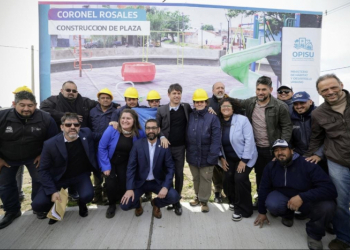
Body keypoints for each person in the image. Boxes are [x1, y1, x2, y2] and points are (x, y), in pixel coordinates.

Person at [41, 80, 119, 200]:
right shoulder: (52, 101)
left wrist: (116, 106)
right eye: (68, 90)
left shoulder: (84, 101)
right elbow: (44, 109)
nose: (71, 93)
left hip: (81, 141)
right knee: (63, 166)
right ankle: (60, 192)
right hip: (63, 141)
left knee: (78, 167)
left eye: (74, 91)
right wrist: (69, 116)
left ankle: (76, 191)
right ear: (62, 91)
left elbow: (101, 103)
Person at [254, 139, 337, 250]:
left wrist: (302, 197)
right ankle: (288, 215)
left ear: (292, 150)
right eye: (276, 150)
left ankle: (314, 235)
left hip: (307, 200)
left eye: (283, 149)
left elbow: (330, 189)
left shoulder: (307, 164)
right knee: (272, 203)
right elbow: (263, 189)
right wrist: (262, 212)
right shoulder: (271, 166)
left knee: (328, 206)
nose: (280, 153)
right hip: (285, 198)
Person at [0, 91, 58, 229]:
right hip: (7, 158)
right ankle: (12, 211)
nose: (26, 109)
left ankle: (38, 207)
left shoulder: (46, 118)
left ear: (36, 105)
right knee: (5, 185)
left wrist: (43, 154)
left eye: (30, 105)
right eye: (22, 105)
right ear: (14, 104)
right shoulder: (2, 117)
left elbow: (53, 140)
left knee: (40, 180)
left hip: (35, 157)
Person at [305, 74, 350, 249]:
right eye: (324, 90)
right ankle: (344, 238)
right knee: (340, 202)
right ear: (319, 92)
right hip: (337, 160)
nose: (330, 92)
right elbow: (316, 137)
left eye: (333, 87)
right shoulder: (318, 113)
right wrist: (313, 156)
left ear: (341, 84)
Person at [32, 112, 99, 225]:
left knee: (87, 195)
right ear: (62, 127)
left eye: (76, 124)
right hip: (59, 178)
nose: (72, 127)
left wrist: (114, 126)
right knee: (38, 204)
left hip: (80, 175)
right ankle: (58, 207)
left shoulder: (86, 133)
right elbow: (43, 170)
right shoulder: (50, 144)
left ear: (79, 126)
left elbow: (101, 136)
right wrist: (53, 191)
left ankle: (82, 205)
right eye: (68, 125)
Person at [235, 76, 292, 209]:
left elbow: (287, 127)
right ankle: (261, 200)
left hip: (272, 149)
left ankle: (281, 206)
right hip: (256, 149)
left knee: (277, 177)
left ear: (271, 90)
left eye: (264, 90)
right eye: (258, 89)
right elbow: (235, 103)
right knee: (260, 176)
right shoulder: (250, 103)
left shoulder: (280, 106)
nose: (260, 92)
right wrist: (214, 103)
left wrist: (281, 148)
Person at [120, 119, 180, 219]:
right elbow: (131, 167)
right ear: (145, 130)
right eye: (148, 128)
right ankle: (137, 205)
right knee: (125, 205)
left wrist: (165, 187)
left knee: (174, 197)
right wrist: (130, 188)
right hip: (140, 182)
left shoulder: (164, 146)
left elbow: (170, 168)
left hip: (157, 182)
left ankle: (156, 203)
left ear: (158, 130)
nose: (151, 130)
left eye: (153, 128)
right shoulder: (137, 145)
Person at [98, 109, 146, 219]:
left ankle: (124, 199)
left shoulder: (139, 133)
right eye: (123, 118)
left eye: (128, 118)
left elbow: (148, 141)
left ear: (134, 120)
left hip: (126, 162)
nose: (125, 120)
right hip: (111, 161)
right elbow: (102, 147)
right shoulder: (112, 129)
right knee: (110, 183)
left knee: (124, 183)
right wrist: (105, 166)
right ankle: (111, 205)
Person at [218, 97, 258, 221]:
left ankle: (243, 209)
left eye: (228, 106)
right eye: (223, 106)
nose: (225, 108)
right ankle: (234, 201)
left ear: (233, 108)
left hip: (244, 156)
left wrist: (244, 160)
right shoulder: (217, 121)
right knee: (227, 179)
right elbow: (215, 142)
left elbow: (249, 140)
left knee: (240, 178)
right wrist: (221, 158)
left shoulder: (242, 120)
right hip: (228, 158)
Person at [156, 83, 192, 216]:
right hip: (165, 148)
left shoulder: (186, 107)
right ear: (169, 95)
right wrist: (162, 136)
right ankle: (169, 197)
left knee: (179, 173)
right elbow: (156, 128)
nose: (177, 96)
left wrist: (210, 108)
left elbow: (200, 112)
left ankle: (177, 201)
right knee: (167, 174)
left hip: (180, 148)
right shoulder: (161, 110)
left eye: (179, 93)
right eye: (174, 93)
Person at [187, 89, 221, 213]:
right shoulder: (190, 115)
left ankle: (204, 201)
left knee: (205, 178)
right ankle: (197, 196)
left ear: (206, 103)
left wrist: (213, 156)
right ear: (194, 103)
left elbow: (216, 139)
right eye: (196, 102)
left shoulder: (213, 118)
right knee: (196, 178)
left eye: (201, 101)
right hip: (193, 154)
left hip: (207, 155)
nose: (199, 104)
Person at [89, 88, 117, 204]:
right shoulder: (92, 112)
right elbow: (88, 128)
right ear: (99, 100)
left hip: (109, 147)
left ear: (111, 100)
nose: (105, 100)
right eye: (103, 98)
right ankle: (97, 194)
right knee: (96, 170)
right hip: (95, 145)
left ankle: (106, 193)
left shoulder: (115, 112)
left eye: (107, 98)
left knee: (107, 169)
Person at [141, 90, 162, 202]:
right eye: (152, 101)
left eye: (157, 101)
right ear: (148, 102)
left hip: (161, 143)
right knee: (146, 166)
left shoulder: (164, 109)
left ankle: (162, 191)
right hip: (148, 142)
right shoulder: (143, 110)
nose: (154, 103)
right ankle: (147, 193)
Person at [208, 82, 227, 203]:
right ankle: (217, 192)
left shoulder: (229, 101)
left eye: (222, 88)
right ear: (213, 90)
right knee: (215, 169)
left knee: (227, 167)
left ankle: (228, 191)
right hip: (213, 141)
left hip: (227, 140)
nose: (220, 90)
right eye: (218, 88)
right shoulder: (208, 102)